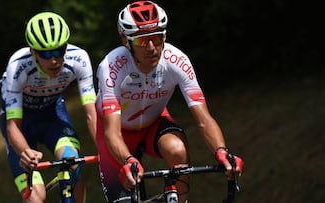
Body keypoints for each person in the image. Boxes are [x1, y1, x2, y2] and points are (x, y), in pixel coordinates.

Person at [95, 1, 244, 203]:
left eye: (156, 39)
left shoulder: (176, 61)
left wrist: (221, 151)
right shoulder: (112, 67)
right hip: (116, 134)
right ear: (125, 41)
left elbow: (203, 118)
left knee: (177, 150)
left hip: (153, 124)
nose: (151, 48)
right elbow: (111, 131)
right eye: (141, 41)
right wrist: (128, 160)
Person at [0, 12, 97, 203]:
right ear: (33, 52)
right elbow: (13, 126)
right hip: (22, 124)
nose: (54, 60)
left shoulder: (79, 60)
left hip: (52, 115)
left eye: (59, 51)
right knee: (36, 198)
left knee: (74, 163)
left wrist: (104, 145)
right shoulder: (18, 67)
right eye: (45, 53)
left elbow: (92, 114)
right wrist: (25, 152)